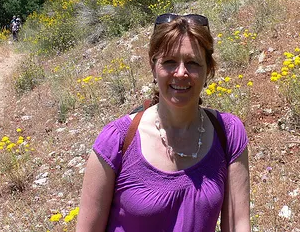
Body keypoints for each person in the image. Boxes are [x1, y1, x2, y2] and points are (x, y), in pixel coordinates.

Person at [76, 13, 250, 232]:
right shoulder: (117, 140)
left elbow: (238, 224)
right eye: (169, 62)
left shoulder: (228, 133)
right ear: (153, 68)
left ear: (209, 69)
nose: (180, 73)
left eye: (193, 63)